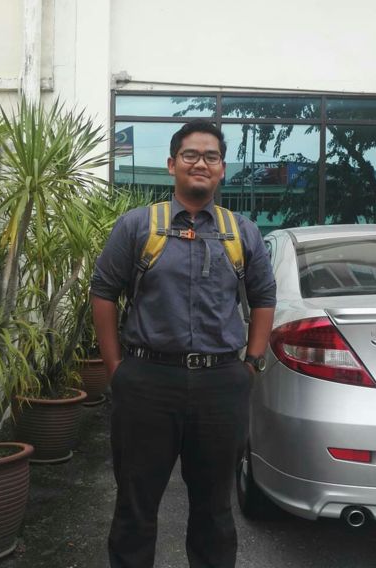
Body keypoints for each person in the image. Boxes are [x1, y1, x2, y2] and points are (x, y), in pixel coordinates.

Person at [90, 119, 276, 568]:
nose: (201, 163)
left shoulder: (242, 232)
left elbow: (264, 298)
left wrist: (250, 363)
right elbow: (103, 292)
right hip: (147, 382)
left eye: (211, 156)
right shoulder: (138, 225)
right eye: (191, 155)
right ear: (172, 164)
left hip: (220, 384)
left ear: (222, 169)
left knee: (215, 511)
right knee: (135, 507)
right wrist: (117, 370)